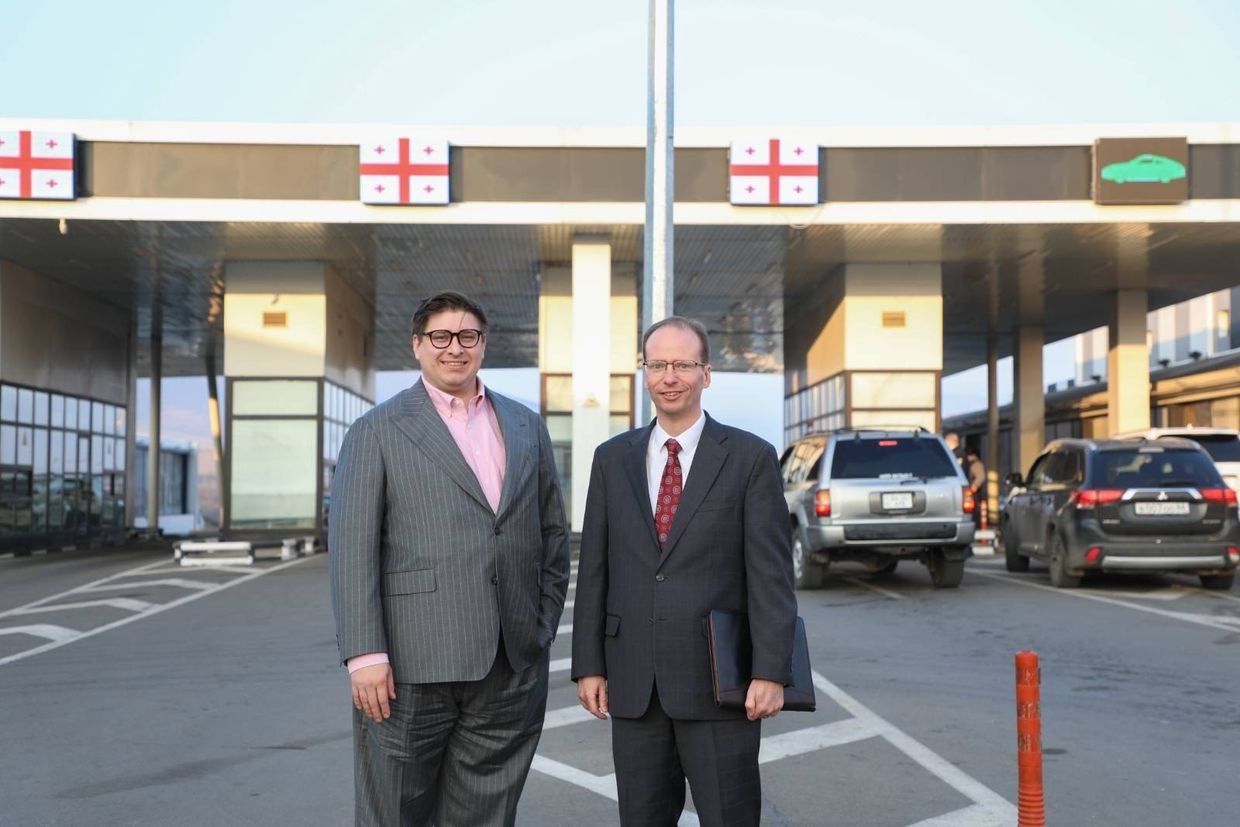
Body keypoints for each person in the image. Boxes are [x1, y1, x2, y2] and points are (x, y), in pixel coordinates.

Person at [329, 290, 570, 826]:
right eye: (440, 337)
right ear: (417, 346)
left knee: (488, 812)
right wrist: (365, 655)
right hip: (410, 665)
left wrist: (541, 623)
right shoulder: (378, 430)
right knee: (395, 811)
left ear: (484, 345)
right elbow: (352, 550)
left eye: (468, 336)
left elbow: (552, 532)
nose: (454, 348)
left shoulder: (525, 425)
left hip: (510, 660)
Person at [571, 316, 797, 827]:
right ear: (644, 373)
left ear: (706, 373)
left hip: (722, 683)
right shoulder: (611, 459)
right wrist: (588, 663)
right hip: (635, 686)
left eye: (682, 364)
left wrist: (770, 670)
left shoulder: (749, 458)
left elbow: (770, 575)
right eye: (658, 364)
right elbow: (596, 569)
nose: (669, 376)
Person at [964, 445, 986, 527]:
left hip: (973, 493)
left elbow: (981, 476)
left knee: (975, 511)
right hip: (971, 492)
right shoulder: (972, 463)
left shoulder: (975, 464)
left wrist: (974, 486)